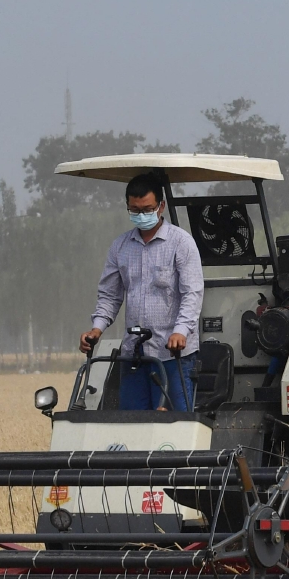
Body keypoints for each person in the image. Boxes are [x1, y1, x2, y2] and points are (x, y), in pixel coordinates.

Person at [79, 172, 205, 411]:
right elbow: (110, 296)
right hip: (134, 354)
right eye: (134, 210)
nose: (141, 215)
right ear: (127, 207)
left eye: (147, 209)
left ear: (161, 206)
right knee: (132, 424)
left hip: (172, 355)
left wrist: (180, 331)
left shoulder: (181, 243)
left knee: (174, 425)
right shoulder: (120, 246)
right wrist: (96, 329)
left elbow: (192, 293)